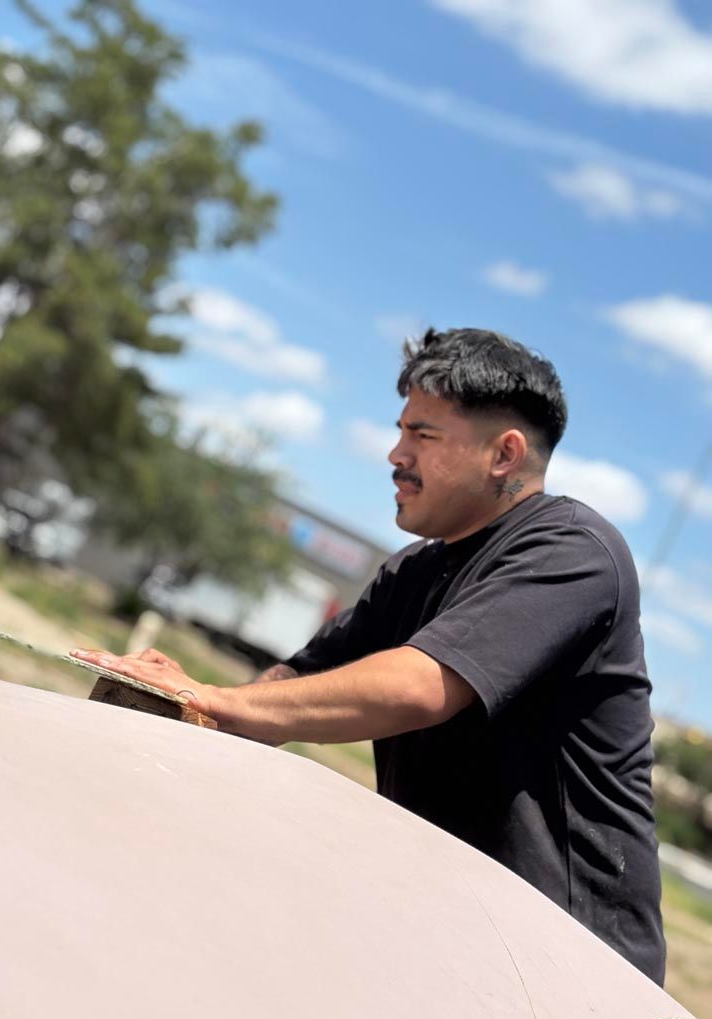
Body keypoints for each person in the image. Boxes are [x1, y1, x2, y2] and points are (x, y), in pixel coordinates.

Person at [73, 327, 666, 984]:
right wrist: (191, 707)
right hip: (452, 929)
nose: (394, 454)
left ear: (503, 454)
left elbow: (418, 686)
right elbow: (302, 679)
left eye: (423, 435)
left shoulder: (573, 552)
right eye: (400, 430)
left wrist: (227, 705)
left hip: (570, 964)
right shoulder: (413, 570)